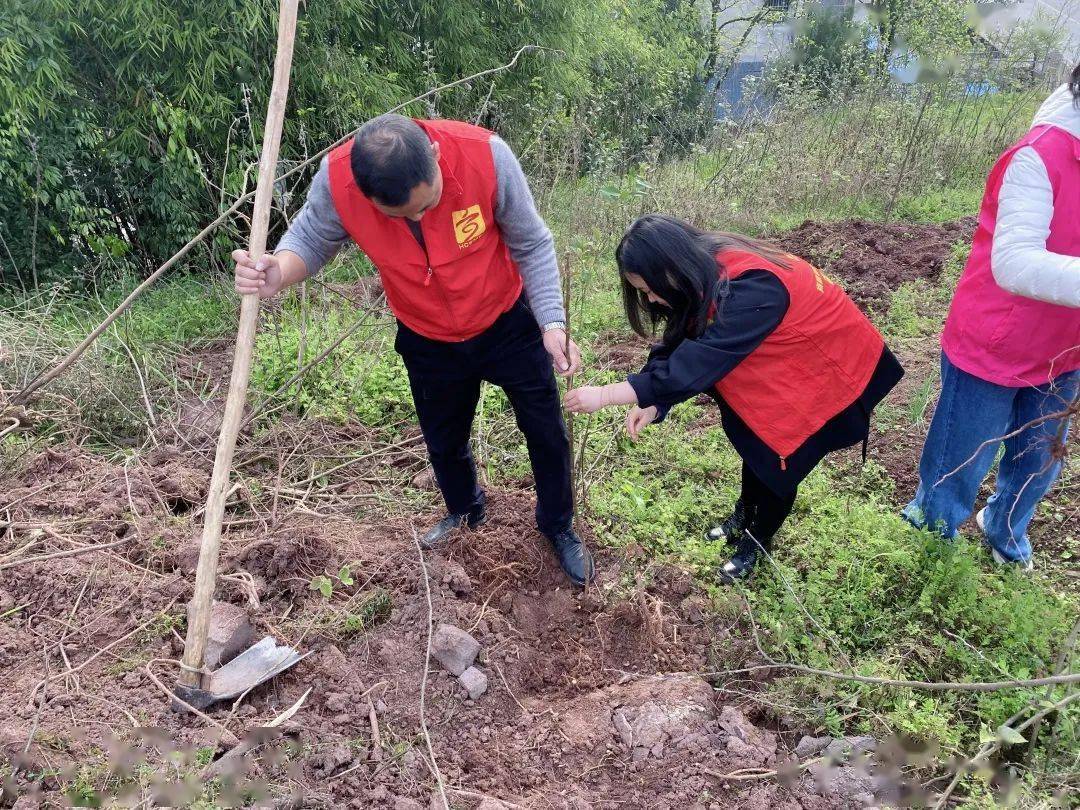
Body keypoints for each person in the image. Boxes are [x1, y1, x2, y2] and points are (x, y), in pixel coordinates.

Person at [233, 114, 595, 586]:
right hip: (427, 335)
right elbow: (310, 239)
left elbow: (532, 240)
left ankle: (558, 526)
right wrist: (276, 272)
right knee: (444, 439)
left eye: (428, 203)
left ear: (438, 157)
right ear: (368, 198)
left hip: (506, 319)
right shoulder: (338, 179)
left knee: (546, 432)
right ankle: (464, 512)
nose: (421, 219)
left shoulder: (485, 155)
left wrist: (551, 322)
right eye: (403, 215)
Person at [564, 214, 903, 583]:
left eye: (649, 289)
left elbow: (698, 359)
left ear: (669, 267)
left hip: (828, 370)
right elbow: (681, 337)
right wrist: (655, 400)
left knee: (778, 462)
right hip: (780, 364)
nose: (650, 298)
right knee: (755, 447)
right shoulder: (700, 271)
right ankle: (744, 514)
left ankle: (758, 540)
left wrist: (607, 394)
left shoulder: (755, 287)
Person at [903, 67, 1080, 572]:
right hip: (995, 341)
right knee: (960, 457)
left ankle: (1003, 528)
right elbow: (1015, 263)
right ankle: (932, 534)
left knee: (1039, 457)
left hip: (1064, 347)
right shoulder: (1040, 156)